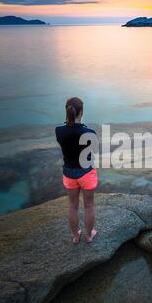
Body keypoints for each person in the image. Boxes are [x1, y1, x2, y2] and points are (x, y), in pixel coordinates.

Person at [55, 97, 98, 244]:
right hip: (86, 172)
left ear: (67, 111)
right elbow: (93, 150)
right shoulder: (89, 132)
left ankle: (75, 236)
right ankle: (89, 235)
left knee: (72, 206)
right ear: (81, 112)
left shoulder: (59, 131)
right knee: (89, 205)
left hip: (68, 173)